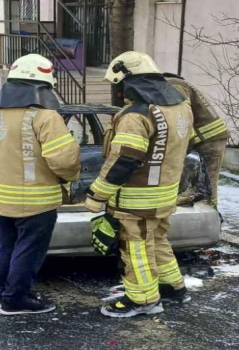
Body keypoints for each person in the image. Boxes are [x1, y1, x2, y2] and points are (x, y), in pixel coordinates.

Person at [0, 54, 81, 315]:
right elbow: (63, 160)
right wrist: (71, 178)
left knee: (6, 246)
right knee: (28, 251)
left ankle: (6, 294)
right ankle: (16, 299)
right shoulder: (44, 116)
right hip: (37, 198)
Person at [85, 51, 193, 318]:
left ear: (127, 81)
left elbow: (124, 159)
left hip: (136, 200)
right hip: (165, 194)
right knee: (157, 241)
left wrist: (97, 194)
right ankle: (172, 286)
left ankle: (143, 300)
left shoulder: (137, 115)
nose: (118, 92)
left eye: (117, 85)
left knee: (135, 249)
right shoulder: (180, 107)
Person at [163, 73, 229, 208]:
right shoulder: (177, 84)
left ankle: (211, 213)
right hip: (207, 138)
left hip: (209, 140)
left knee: (208, 182)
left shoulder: (173, 86)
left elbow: (183, 117)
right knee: (203, 181)